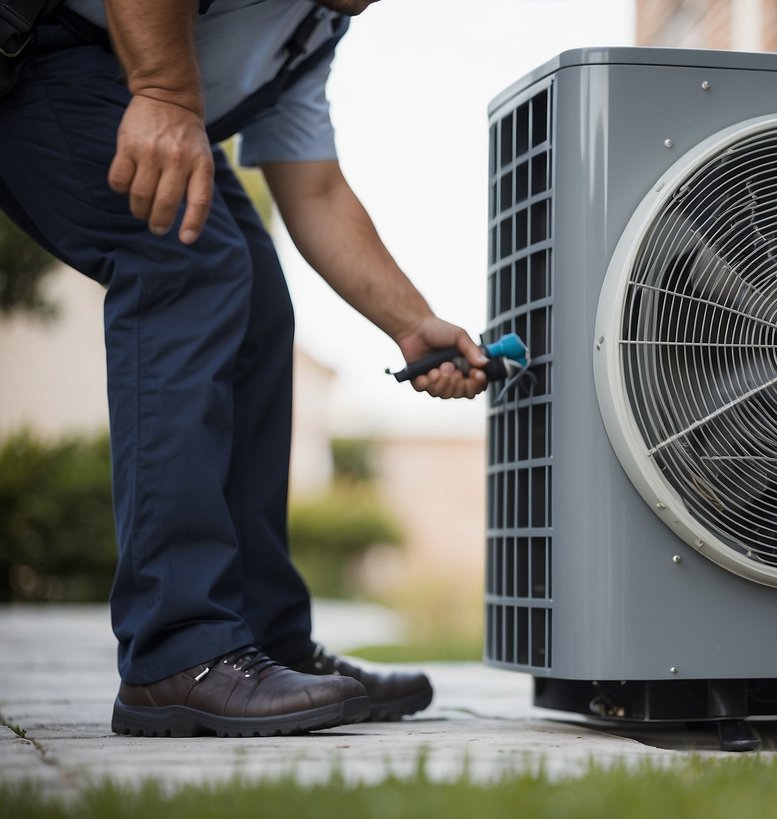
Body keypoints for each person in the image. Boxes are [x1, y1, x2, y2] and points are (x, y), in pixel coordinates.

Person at [0, 0, 488, 737]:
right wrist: (165, 94)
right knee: (187, 263)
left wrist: (411, 324)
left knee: (258, 308)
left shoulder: (311, 34)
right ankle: (180, 654)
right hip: (40, 50)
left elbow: (314, 187)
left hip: (118, 72)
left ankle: (262, 643)